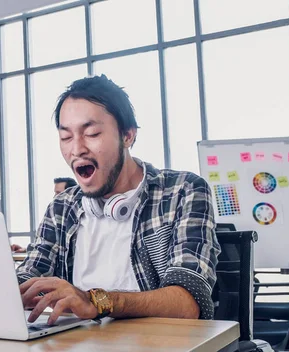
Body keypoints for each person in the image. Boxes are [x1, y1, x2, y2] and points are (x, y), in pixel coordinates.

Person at [16, 74, 220, 326]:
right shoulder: (62, 207)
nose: (77, 148)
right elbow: (28, 275)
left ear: (127, 136)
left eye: (91, 133)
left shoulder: (183, 191)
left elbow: (188, 303)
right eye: (66, 137)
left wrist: (95, 301)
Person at [10, 177, 78, 253]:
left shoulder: (76, 219)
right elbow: (48, 245)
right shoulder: (54, 216)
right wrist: (26, 249)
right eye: (55, 193)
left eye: (58, 193)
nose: (54, 197)